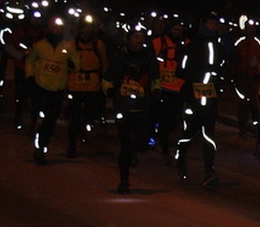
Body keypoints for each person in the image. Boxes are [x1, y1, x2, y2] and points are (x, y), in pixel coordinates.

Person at [102, 21, 160, 194]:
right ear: (128, 39)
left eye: (141, 37)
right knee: (125, 145)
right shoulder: (119, 57)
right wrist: (110, 90)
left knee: (142, 142)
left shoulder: (149, 57)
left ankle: (135, 150)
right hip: (124, 107)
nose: (138, 40)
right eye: (135, 37)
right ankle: (124, 180)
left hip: (142, 107)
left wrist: (156, 92)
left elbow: (156, 78)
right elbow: (106, 79)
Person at [174, 13, 226, 188]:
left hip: (210, 97)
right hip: (193, 96)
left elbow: (223, 68)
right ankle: (180, 157)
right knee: (189, 131)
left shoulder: (219, 46)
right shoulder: (191, 45)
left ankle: (209, 170)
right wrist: (197, 79)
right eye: (211, 23)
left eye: (216, 23)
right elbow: (180, 70)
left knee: (208, 134)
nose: (214, 26)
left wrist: (217, 79)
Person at [25, 14, 81, 165]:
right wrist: (30, 77)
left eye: (59, 28)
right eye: (54, 28)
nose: (56, 30)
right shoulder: (40, 46)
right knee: (41, 115)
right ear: (48, 29)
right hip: (40, 87)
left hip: (57, 89)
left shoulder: (68, 47)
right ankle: (34, 126)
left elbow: (76, 64)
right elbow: (29, 61)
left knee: (50, 121)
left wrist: (71, 65)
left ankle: (41, 147)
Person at [66, 14, 109, 158]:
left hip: (93, 86)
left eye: (89, 28)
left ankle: (85, 127)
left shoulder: (99, 45)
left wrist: (105, 84)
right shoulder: (71, 45)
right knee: (75, 117)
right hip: (75, 86)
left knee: (90, 113)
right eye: (83, 28)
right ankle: (72, 143)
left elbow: (104, 64)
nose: (86, 31)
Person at [151, 18, 188, 165]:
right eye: (175, 29)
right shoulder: (158, 42)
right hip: (162, 88)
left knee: (174, 120)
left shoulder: (186, 44)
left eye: (180, 29)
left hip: (179, 88)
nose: (178, 32)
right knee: (164, 120)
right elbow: (151, 61)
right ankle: (164, 148)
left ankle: (163, 140)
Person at [4, 9, 46, 130]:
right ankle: (18, 116)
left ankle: (34, 120)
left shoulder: (44, 32)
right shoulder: (20, 30)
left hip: (38, 70)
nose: (37, 21)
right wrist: (21, 56)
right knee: (21, 95)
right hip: (22, 68)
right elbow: (9, 45)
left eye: (39, 19)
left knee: (37, 97)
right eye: (34, 18)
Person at [233, 20, 260, 138]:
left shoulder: (259, 43)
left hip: (254, 78)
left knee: (255, 103)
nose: (251, 30)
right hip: (241, 76)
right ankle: (242, 127)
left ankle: (255, 125)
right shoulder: (239, 42)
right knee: (242, 103)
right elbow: (234, 57)